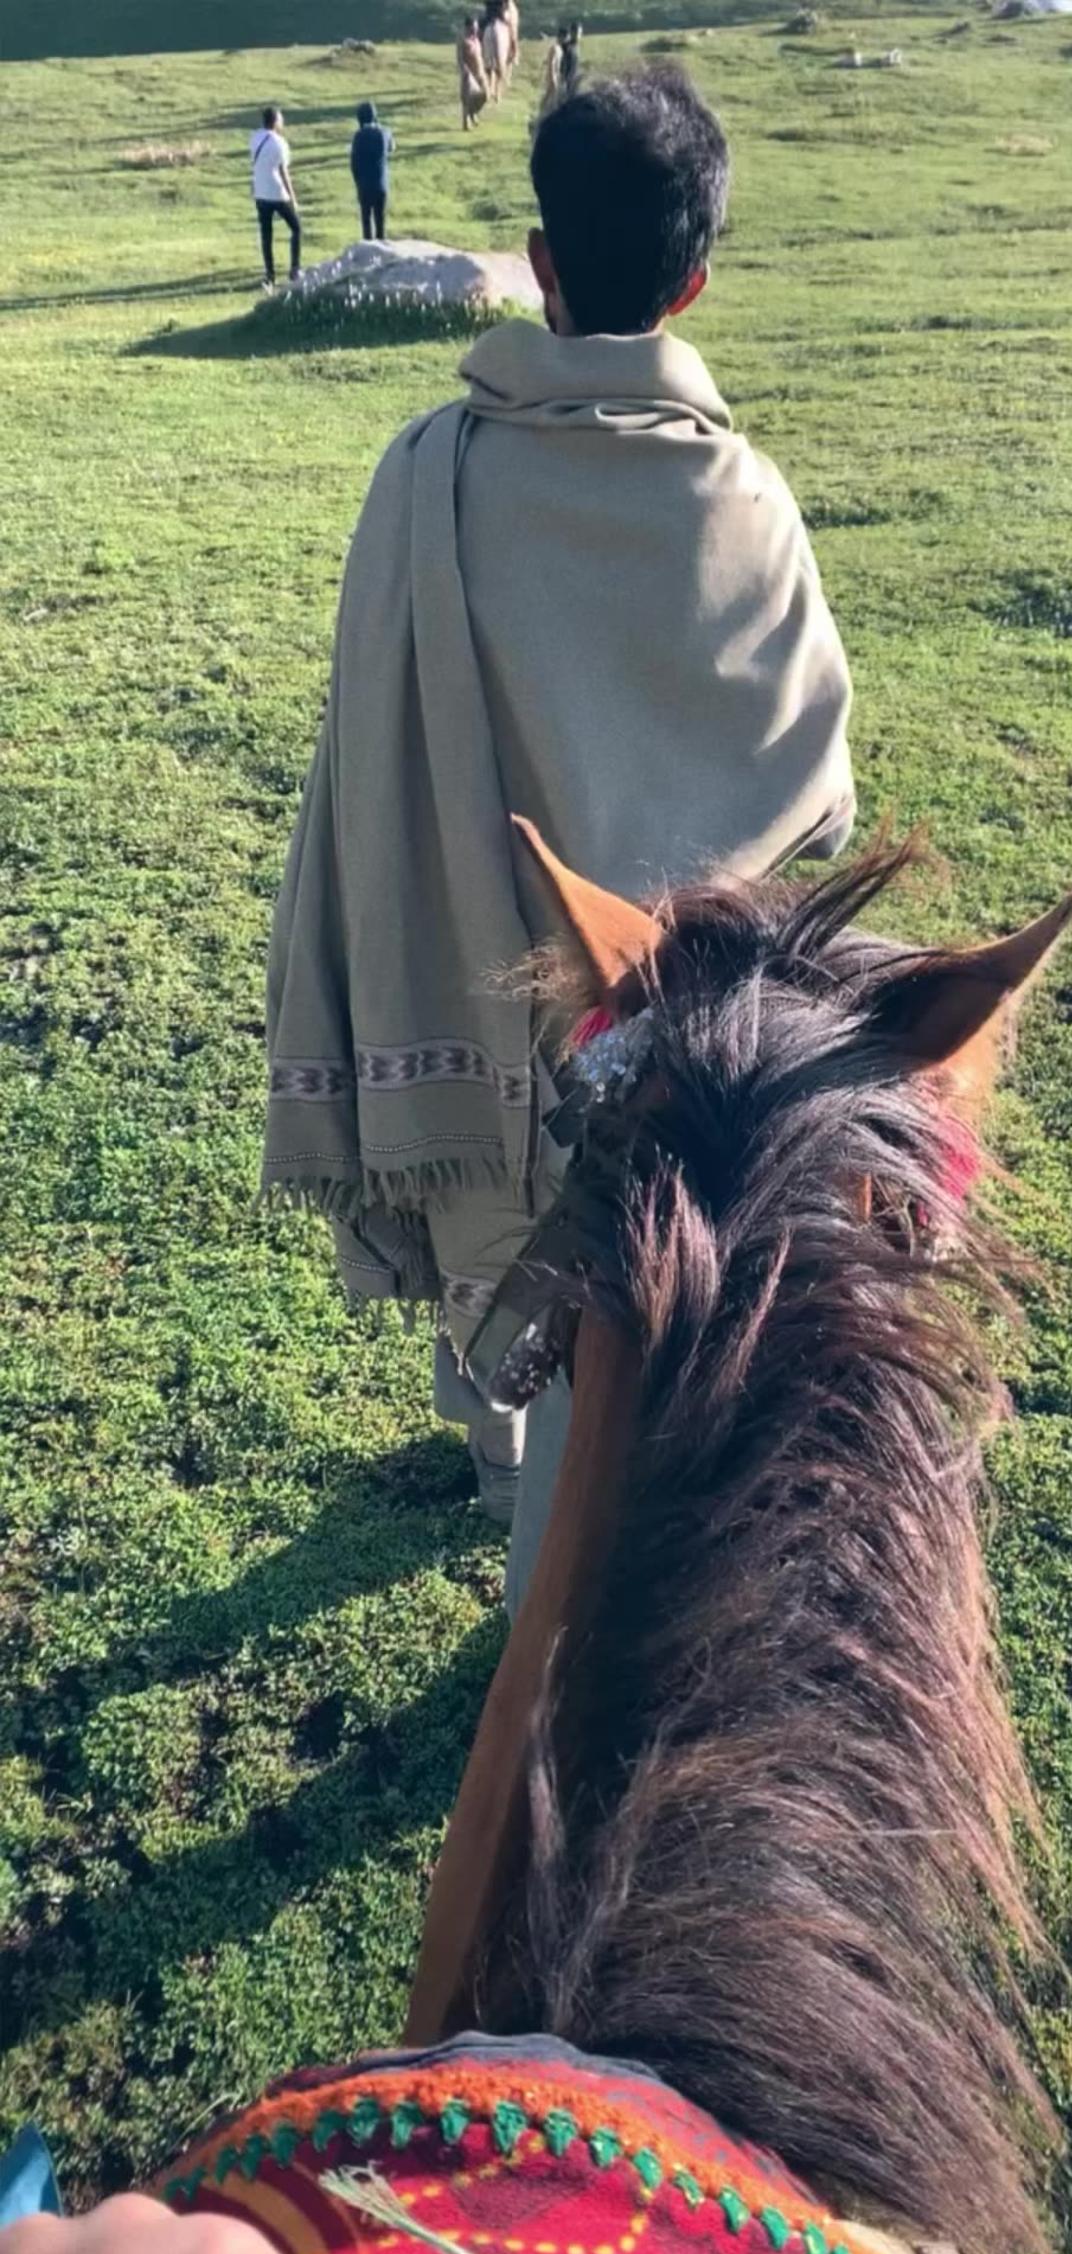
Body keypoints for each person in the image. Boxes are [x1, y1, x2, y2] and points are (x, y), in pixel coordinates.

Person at [262, 67, 854, 1616]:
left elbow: (369, 764)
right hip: (678, 1036)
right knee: (654, 1317)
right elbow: (819, 791)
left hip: (478, 992)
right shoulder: (749, 500)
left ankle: (508, 1459)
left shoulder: (425, 478)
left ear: (537, 257)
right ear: (696, 276)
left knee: (502, 1259)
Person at [249, 105, 300, 290]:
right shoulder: (280, 143)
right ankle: (295, 269)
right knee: (296, 228)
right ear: (276, 121)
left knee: (266, 234)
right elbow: (283, 171)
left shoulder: (254, 139)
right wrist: (292, 197)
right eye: (281, 119)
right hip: (277, 193)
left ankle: (269, 275)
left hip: (260, 193)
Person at [349, 100, 394, 241]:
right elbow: (392, 148)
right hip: (381, 184)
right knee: (380, 220)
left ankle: (367, 251)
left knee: (366, 222)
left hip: (364, 185)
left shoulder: (358, 136)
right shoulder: (384, 133)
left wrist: (357, 182)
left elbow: (354, 163)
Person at [458, 14, 488, 124]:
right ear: (467, 27)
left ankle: (473, 112)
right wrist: (465, 72)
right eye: (473, 28)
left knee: (485, 95)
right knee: (467, 98)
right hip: (469, 73)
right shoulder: (463, 40)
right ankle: (466, 121)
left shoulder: (476, 39)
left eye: (476, 28)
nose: (475, 31)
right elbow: (460, 57)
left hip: (480, 72)